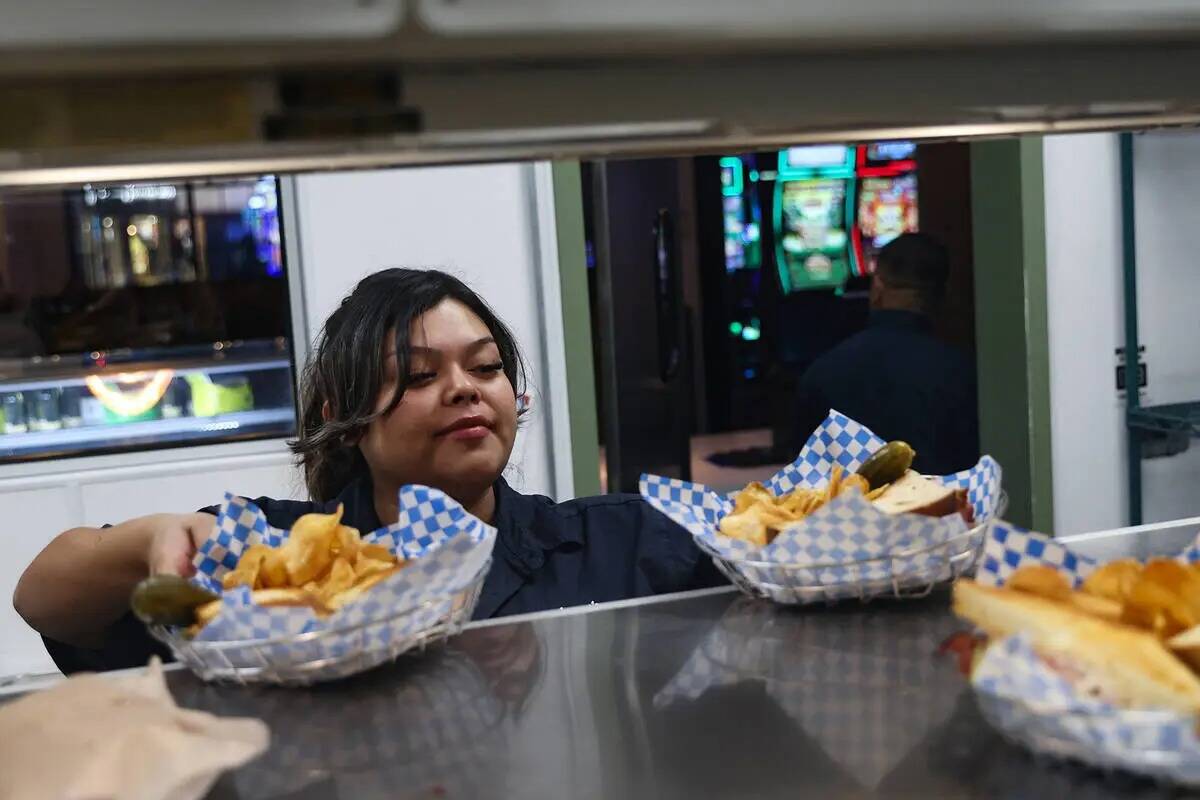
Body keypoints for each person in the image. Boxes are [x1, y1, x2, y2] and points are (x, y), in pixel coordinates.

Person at [14, 268, 724, 674]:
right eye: (418, 376)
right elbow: (45, 600)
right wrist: (150, 542)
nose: (465, 388)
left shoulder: (622, 543)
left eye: (486, 367)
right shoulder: (275, 560)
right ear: (342, 412)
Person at [792, 233, 979, 475]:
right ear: (942, 295)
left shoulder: (824, 371)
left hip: (851, 511)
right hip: (938, 510)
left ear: (878, 286)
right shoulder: (962, 373)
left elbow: (805, 478)